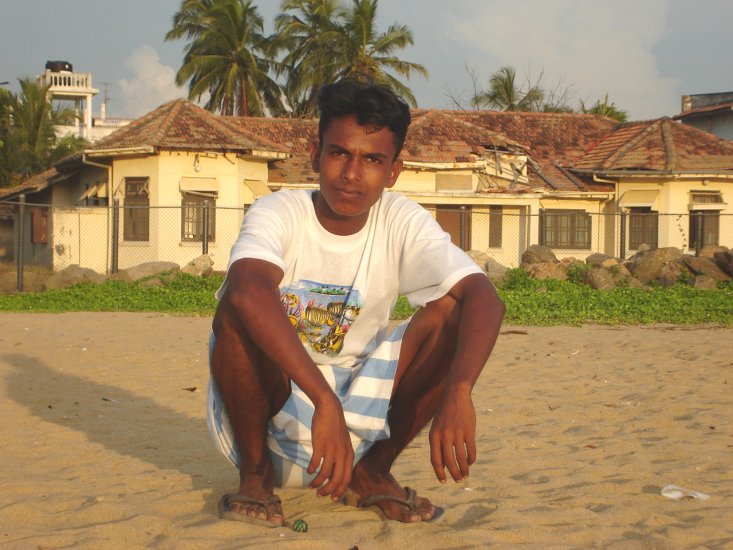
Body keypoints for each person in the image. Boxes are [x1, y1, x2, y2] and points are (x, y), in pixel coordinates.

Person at [206, 80, 505, 527]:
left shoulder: (400, 219)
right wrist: (323, 400)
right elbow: (248, 290)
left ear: (394, 171)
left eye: (371, 160)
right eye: (340, 153)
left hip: (358, 424)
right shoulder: (279, 211)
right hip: (271, 416)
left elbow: (484, 296)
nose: (351, 173)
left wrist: (460, 389)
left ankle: (372, 470)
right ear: (316, 154)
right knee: (236, 305)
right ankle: (255, 477)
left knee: (450, 311)